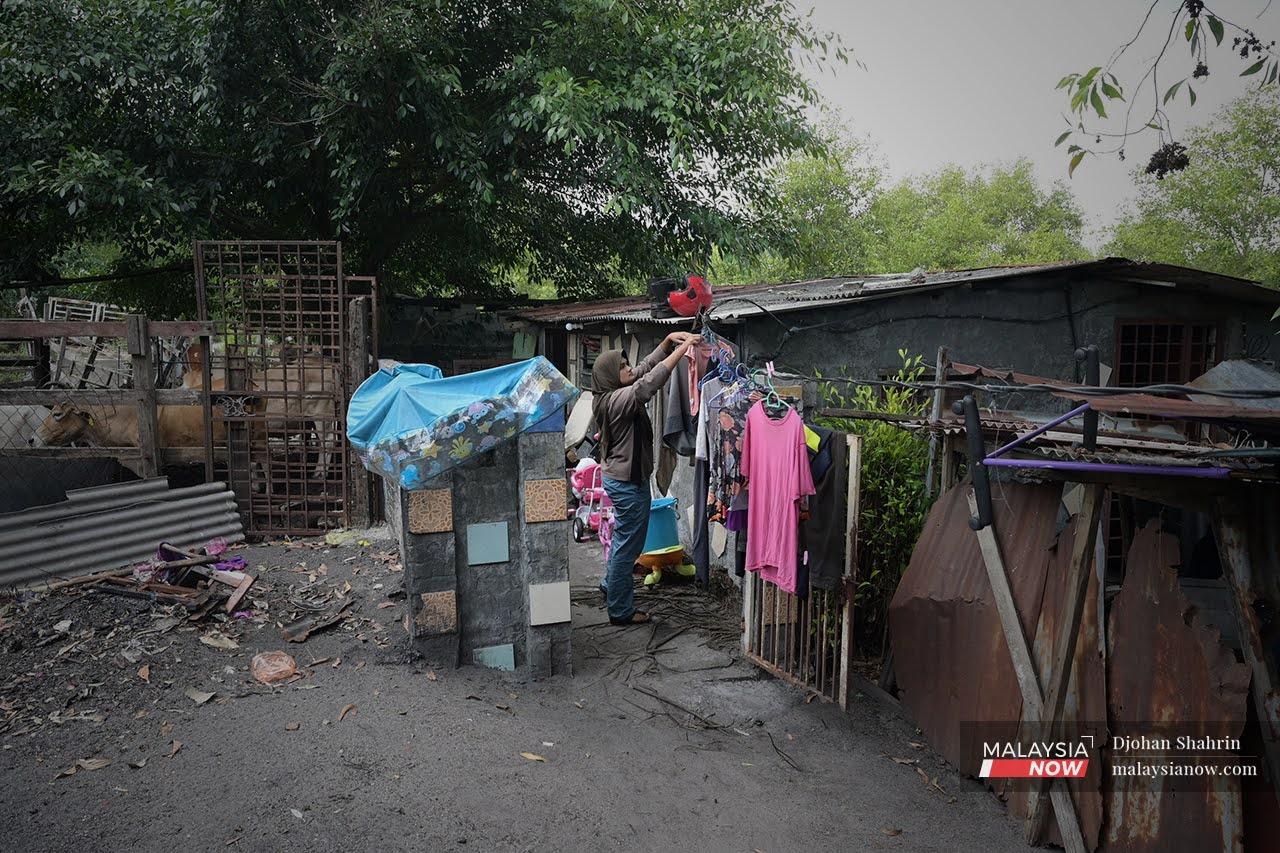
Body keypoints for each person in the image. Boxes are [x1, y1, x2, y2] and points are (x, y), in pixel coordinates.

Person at [591, 331, 702, 624]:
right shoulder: (615, 401)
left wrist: (666, 341)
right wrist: (684, 350)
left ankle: (610, 584)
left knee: (624, 543)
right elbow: (649, 383)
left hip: (624, 478)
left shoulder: (609, 390)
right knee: (629, 548)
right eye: (623, 367)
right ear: (611, 378)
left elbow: (643, 370)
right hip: (626, 483)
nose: (630, 368)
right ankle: (620, 611)